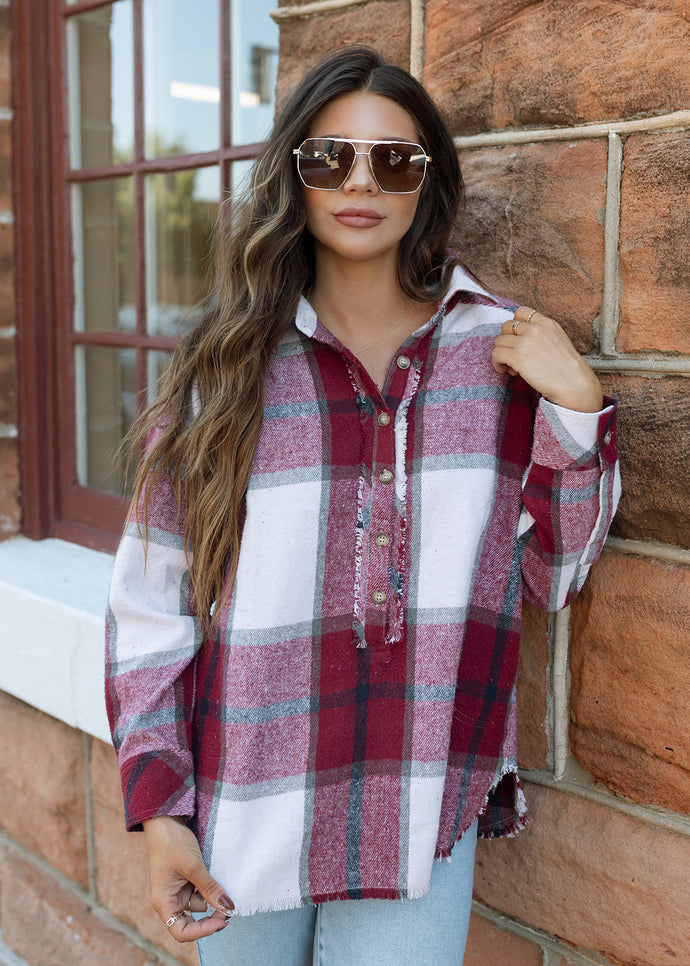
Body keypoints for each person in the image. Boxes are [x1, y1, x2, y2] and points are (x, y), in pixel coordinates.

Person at [105, 45, 620, 966]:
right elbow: (152, 603)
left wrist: (578, 410)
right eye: (329, 156)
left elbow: (554, 577)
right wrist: (160, 810)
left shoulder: (499, 356)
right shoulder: (226, 368)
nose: (361, 181)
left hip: (420, 807)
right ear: (294, 176)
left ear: (428, 183)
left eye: (394, 160)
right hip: (242, 806)